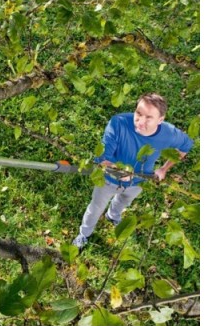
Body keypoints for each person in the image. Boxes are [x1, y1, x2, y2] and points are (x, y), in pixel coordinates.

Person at [72, 93, 193, 250]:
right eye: (138, 113)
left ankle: (113, 215)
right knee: (96, 208)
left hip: (139, 180)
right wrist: (117, 170)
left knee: (124, 201)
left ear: (160, 120)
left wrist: (164, 169)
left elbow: (186, 145)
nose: (141, 121)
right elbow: (103, 157)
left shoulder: (169, 134)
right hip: (109, 179)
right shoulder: (119, 123)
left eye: (149, 117)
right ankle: (84, 234)